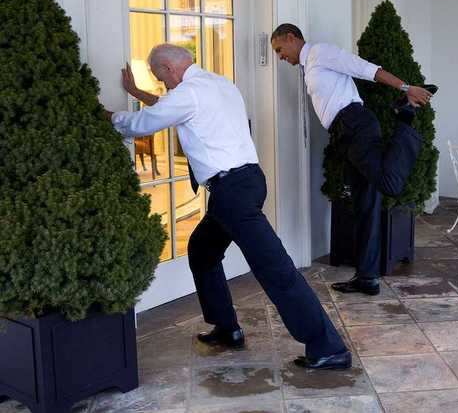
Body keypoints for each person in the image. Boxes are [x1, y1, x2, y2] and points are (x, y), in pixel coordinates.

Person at [107, 43, 350, 370]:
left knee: (275, 269)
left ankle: (328, 346)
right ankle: (226, 327)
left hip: (232, 191)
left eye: (159, 76)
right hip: (247, 182)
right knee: (202, 250)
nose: (162, 83)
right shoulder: (220, 84)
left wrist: (106, 116)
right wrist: (136, 91)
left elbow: (140, 124)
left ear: (169, 69)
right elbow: (168, 107)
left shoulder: (188, 93)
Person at [271, 24, 436, 296]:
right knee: (365, 205)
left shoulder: (320, 53)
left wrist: (405, 87)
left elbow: (364, 68)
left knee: (389, 183)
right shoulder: (309, 64)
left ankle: (405, 117)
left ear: (291, 38)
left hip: (356, 125)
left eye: (279, 49)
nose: (280, 56)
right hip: (345, 132)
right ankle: (367, 277)